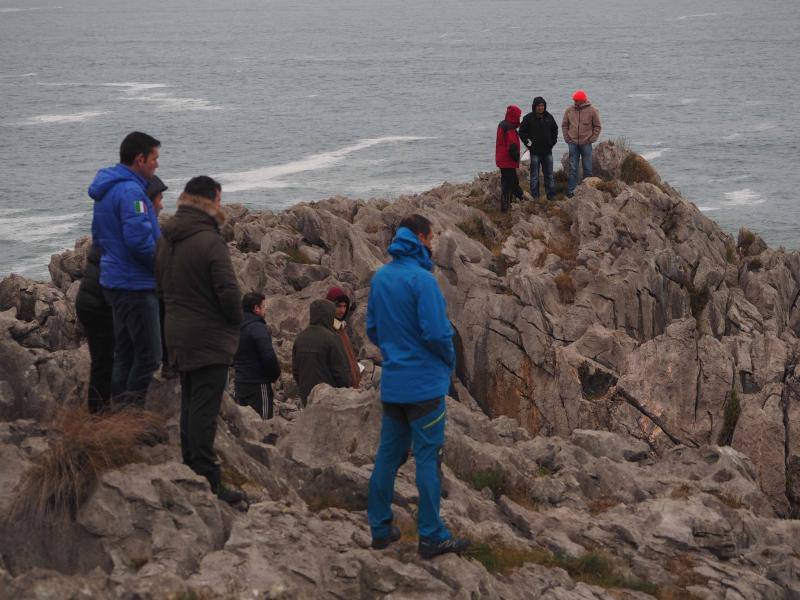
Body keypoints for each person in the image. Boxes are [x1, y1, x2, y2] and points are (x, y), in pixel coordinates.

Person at [366, 214, 470, 560]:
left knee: (387, 457)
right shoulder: (423, 281)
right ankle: (431, 536)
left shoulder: (380, 278)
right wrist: (448, 360)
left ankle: (380, 529)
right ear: (423, 239)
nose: (433, 244)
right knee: (428, 459)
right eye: (432, 238)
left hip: (393, 384)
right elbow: (437, 333)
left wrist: (395, 350)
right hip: (424, 386)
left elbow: (372, 331)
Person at [155, 176, 244, 505]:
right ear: (210, 202)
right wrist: (235, 323)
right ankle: (210, 481)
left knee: (190, 404)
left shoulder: (167, 237)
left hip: (176, 333)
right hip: (209, 337)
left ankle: (191, 468)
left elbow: (159, 287)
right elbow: (228, 291)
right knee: (204, 410)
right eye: (219, 200)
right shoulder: (209, 240)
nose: (221, 206)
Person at [89, 131, 162, 406]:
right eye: (154, 158)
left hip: (114, 280)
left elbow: (98, 235)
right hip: (135, 284)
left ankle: (119, 418)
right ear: (140, 159)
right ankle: (130, 415)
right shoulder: (132, 192)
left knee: (126, 353)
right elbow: (140, 242)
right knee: (149, 356)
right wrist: (162, 266)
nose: (156, 165)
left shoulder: (107, 190)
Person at [75, 242, 114, 413]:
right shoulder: (136, 217)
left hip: (88, 301)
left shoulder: (107, 234)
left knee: (102, 362)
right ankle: (101, 413)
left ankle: (98, 413)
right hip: (99, 305)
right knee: (107, 361)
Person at [291, 299, 351, 406]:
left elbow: (296, 371)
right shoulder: (333, 338)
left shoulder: (300, 338)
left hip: (307, 398)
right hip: (329, 400)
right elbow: (342, 372)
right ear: (329, 315)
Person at [234, 292, 281, 420]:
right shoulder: (258, 327)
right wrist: (274, 375)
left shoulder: (236, 327)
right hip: (258, 385)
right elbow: (268, 356)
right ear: (256, 308)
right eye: (264, 306)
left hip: (240, 383)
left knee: (245, 425)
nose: (265, 310)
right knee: (264, 424)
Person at [562, 89, 602, 197]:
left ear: (583, 100)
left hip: (586, 143)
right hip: (573, 143)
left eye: (577, 100)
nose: (575, 102)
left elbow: (597, 126)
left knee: (587, 168)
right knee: (573, 169)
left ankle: (587, 192)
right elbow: (564, 125)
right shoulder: (569, 110)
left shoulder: (592, 110)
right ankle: (571, 192)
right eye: (574, 100)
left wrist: (592, 139)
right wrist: (567, 138)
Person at [518, 96, 559, 200]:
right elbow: (521, 132)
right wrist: (528, 143)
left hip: (547, 151)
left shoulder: (549, 117)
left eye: (542, 105)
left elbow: (555, 129)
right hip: (535, 152)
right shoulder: (528, 118)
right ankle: (535, 197)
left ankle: (551, 196)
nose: (541, 107)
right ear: (534, 107)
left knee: (549, 175)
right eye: (538, 106)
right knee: (534, 176)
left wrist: (552, 142)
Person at [325, 286, 361, 389]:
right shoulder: (329, 329)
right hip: (340, 390)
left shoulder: (341, 327)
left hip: (350, 388)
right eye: (338, 306)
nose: (342, 310)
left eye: (345, 306)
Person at [495, 105, 523, 213]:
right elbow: (512, 145)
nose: (519, 117)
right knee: (509, 184)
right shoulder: (510, 128)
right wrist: (516, 158)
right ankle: (507, 208)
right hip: (508, 161)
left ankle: (516, 200)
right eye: (518, 115)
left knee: (510, 182)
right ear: (514, 115)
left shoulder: (502, 124)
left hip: (502, 159)